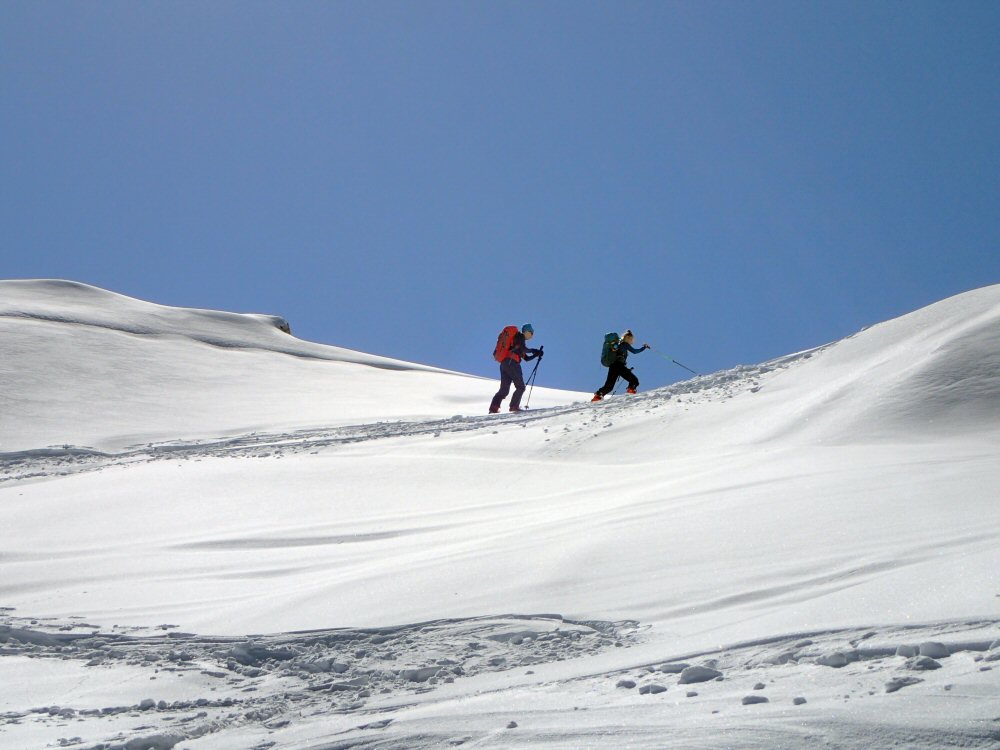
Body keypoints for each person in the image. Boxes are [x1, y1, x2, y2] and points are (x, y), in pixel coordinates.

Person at [489, 323, 543, 413]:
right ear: (527, 332)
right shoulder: (520, 337)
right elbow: (525, 349)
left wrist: (536, 354)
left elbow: (526, 358)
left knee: (504, 390)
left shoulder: (516, 342)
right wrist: (534, 351)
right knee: (521, 387)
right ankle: (514, 406)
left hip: (504, 364)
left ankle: (493, 407)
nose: (532, 336)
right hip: (512, 363)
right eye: (531, 333)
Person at [592, 329, 648, 401]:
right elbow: (635, 351)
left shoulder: (618, 345)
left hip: (613, 366)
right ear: (628, 338)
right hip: (618, 366)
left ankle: (597, 396)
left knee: (609, 386)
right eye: (632, 339)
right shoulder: (625, 344)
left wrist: (625, 369)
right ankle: (630, 395)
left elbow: (618, 359)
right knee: (634, 381)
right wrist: (644, 347)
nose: (632, 341)